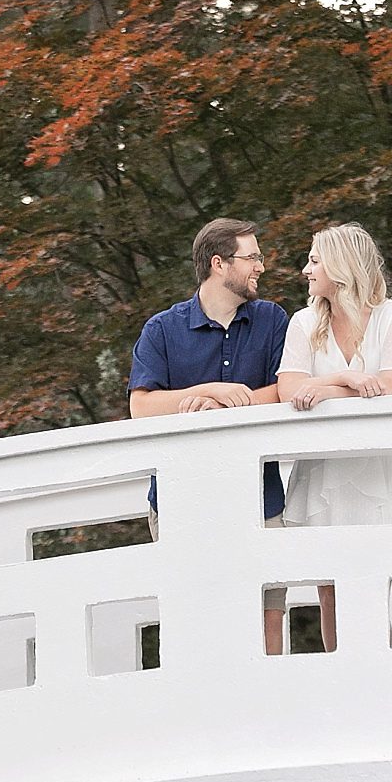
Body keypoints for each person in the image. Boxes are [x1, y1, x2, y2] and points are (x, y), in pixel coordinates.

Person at [128, 217, 291, 652]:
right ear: (218, 264)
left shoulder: (271, 319)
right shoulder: (162, 329)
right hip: (181, 500)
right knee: (190, 621)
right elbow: (141, 407)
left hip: (260, 496)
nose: (261, 265)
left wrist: (220, 406)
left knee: (267, 618)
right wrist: (206, 391)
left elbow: (284, 390)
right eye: (252, 257)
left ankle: (271, 711)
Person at [275, 223, 392, 652]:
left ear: (340, 267)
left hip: (377, 467)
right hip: (322, 467)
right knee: (329, 586)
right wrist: (343, 377)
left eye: (315, 260)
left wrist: (322, 389)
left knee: (380, 577)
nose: (306, 270)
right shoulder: (303, 322)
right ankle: (339, 677)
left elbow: (389, 386)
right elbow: (291, 392)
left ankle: (381, 676)